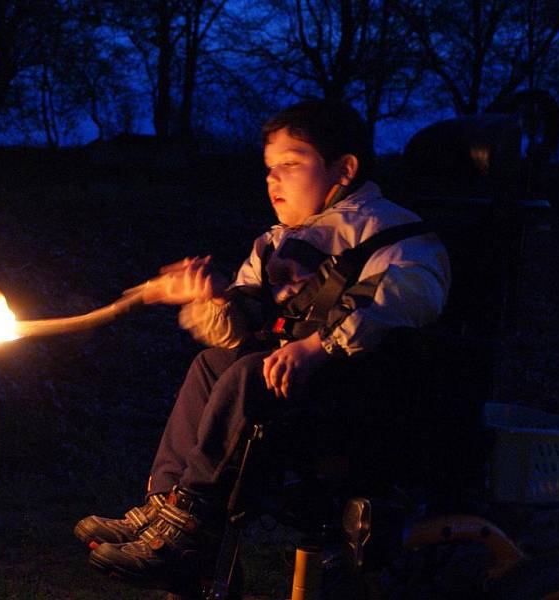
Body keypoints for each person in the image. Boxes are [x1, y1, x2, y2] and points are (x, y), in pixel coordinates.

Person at [74, 99, 451, 593]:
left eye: (291, 165)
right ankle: (167, 507)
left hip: (356, 403)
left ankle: (190, 529)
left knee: (248, 373)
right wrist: (214, 298)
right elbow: (242, 328)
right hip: (285, 397)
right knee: (213, 362)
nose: (274, 179)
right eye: (270, 168)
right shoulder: (273, 243)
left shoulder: (395, 233)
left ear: (345, 168)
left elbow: (403, 301)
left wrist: (318, 346)